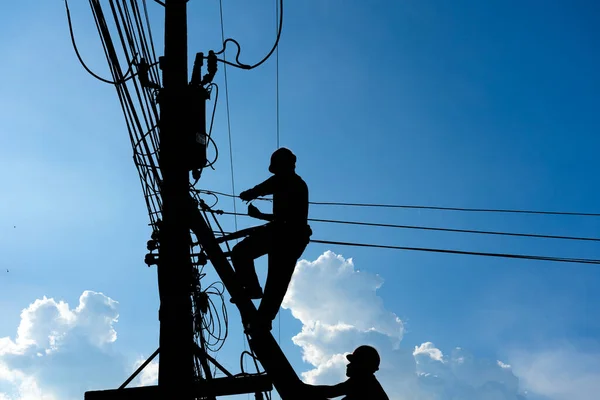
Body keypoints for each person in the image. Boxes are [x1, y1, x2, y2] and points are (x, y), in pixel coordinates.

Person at [230, 147, 312, 330]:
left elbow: (271, 187)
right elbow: (283, 214)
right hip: (282, 234)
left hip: (288, 238)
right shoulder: (288, 182)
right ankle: (254, 295)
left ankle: (262, 318)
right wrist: (259, 214)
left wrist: (252, 193)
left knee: (276, 281)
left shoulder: (292, 182)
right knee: (243, 255)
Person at [302, 345, 389, 400]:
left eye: (353, 362)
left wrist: (302, 388)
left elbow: (330, 392)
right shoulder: (367, 382)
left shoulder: (364, 381)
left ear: (362, 365)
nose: (348, 365)